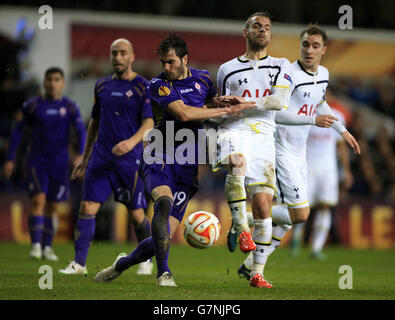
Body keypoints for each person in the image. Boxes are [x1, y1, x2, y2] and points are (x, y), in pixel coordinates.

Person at [94, 33, 256, 287]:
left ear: (185, 59)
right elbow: (183, 113)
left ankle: (121, 264)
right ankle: (164, 273)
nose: (166, 68)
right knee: (164, 202)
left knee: (164, 235)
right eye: (163, 63)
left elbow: (207, 100)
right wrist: (225, 110)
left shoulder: (203, 78)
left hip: (188, 161)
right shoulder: (158, 84)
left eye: (171, 62)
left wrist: (222, 101)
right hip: (159, 153)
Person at [236, 24, 360, 286]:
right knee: (301, 215)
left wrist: (341, 129)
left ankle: (251, 265)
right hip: (280, 151)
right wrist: (313, 121)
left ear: (324, 49)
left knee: (290, 220)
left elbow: (319, 101)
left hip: (299, 153)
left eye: (315, 46)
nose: (309, 50)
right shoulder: (288, 73)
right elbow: (277, 113)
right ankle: (245, 221)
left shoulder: (323, 74)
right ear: (300, 46)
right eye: (305, 44)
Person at [59, 38, 154, 275]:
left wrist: (131, 142)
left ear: (131, 57)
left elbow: (150, 121)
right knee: (87, 207)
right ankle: (79, 264)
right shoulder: (101, 86)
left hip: (129, 160)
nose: (118, 58)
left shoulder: (143, 86)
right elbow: (95, 122)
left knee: (136, 213)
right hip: (101, 158)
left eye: (123, 53)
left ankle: (147, 259)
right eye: (114, 53)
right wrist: (85, 155)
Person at [4, 67, 86, 261]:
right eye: (49, 79)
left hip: (59, 164)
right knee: (38, 200)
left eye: (56, 79)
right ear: (44, 82)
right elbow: (17, 133)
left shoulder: (70, 107)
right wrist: (10, 158)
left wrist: (81, 155)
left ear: (63, 83)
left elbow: (81, 131)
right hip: (36, 162)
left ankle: (48, 247)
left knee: (53, 205)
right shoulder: (32, 106)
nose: (52, 83)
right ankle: (35, 245)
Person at [290, 108, 353, 260]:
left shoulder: (338, 116)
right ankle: (296, 242)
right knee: (302, 206)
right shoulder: (306, 115)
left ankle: (316, 247)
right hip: (308, 167)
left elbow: (341, 146)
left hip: (328, 169)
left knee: (325, 206)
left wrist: (346, 170)